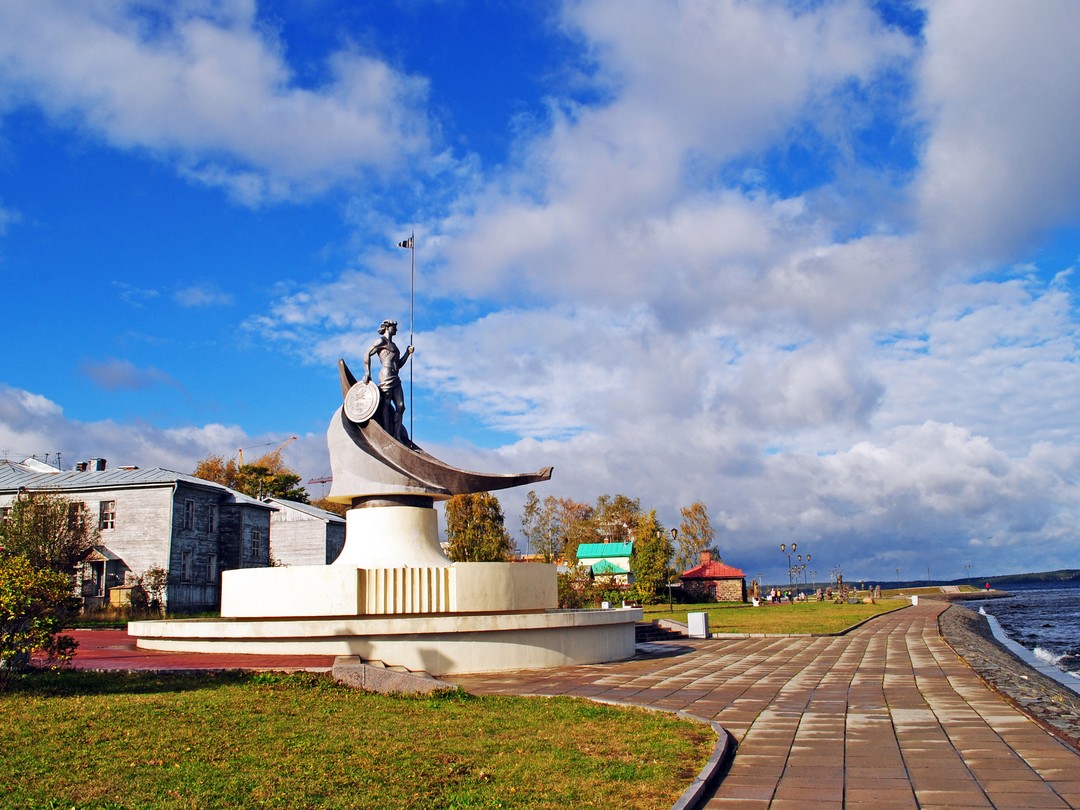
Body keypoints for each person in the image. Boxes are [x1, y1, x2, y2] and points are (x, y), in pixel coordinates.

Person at [362, 319, 414, 442]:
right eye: (394, 327)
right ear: (388, 327)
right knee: (386, 404)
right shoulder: (381, 341)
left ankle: (396, 435)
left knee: (401, 407)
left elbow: (398, 364)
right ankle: (387, 433)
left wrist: (407, 353)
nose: (396, 330)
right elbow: (367, 354)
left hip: (395, 376)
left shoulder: (394, 345)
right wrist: (367, 373)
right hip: (386, 373)